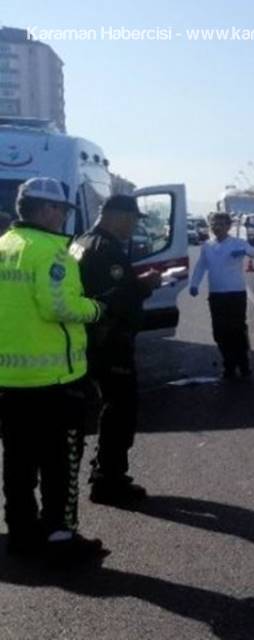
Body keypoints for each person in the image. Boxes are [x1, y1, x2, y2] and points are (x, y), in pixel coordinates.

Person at [0, 177, 108, 565]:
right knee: (60, 463)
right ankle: (60, 536)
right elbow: (59, 307)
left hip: (10, 382)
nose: (63, 217)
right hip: (56, 382)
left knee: (18, 462)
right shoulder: (52, 252)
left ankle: (22, 533)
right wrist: (95, 309)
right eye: (60, 210)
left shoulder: (4, 246)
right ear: (46, 210)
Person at [72, 194, 162, 506]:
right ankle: (108, 480)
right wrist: (145, 285)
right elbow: (114, 299)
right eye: (133, 219)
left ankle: (106, 474)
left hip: (90, 341)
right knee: (119, 411)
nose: (134, 226)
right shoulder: (105, 249)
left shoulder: (81, 241)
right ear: (117, 215)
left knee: (111, 408)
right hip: (108, 343)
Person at [189, 212, 254, 379]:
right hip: (216, 294)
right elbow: (201, 266)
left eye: (221, 224)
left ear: (228, 226)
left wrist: (244, 250)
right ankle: (228, 365)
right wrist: (194, 284)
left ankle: (243, 366)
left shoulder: (237, 243)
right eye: (214, 224)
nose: (217, 227)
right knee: (220, 332)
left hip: (235, 293)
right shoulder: (207, 245)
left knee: (237, 330)